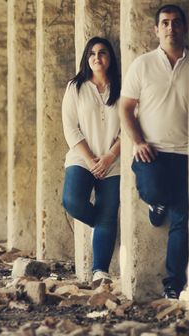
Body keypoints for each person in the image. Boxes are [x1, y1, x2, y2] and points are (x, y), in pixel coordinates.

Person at [119, 4, 189, 299]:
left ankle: (173, 286)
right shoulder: (143, 64)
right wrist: (138, 141)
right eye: (165, 23)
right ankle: (155, 202)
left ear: (183, 27)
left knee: (182, 222)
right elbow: (125, 108)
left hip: (187, 154)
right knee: (156, 191)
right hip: (152, 152)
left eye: (175, 22)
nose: (170, 28)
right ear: (156, 30)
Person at [61, 36, 121, 283]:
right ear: (87, 59)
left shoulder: (122, 88)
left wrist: (108, 157)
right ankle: (103, 227)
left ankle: (100, 272)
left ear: (110, 58)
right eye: (92, 53)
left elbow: (129, 127)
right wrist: (92, 159)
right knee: (72, 202)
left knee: (108, 213)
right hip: (81, 158)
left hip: (113, 162)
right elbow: (70, 127)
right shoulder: (75, 87)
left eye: (103, 53)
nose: (97, 57)